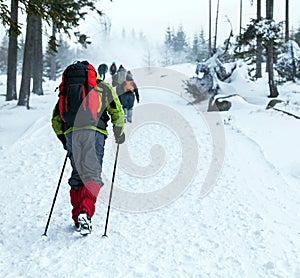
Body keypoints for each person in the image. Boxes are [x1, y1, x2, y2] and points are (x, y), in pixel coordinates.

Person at [51, 61, 125, 235]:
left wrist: (64, 139)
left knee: (77, 175)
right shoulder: (102, 88)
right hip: (94, 133)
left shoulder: (67, 89)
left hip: (72, 134)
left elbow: (55, 120)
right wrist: (119, 132)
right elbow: (117, 110)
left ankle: (78, 217)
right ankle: (85, 212)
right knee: (92, 175)